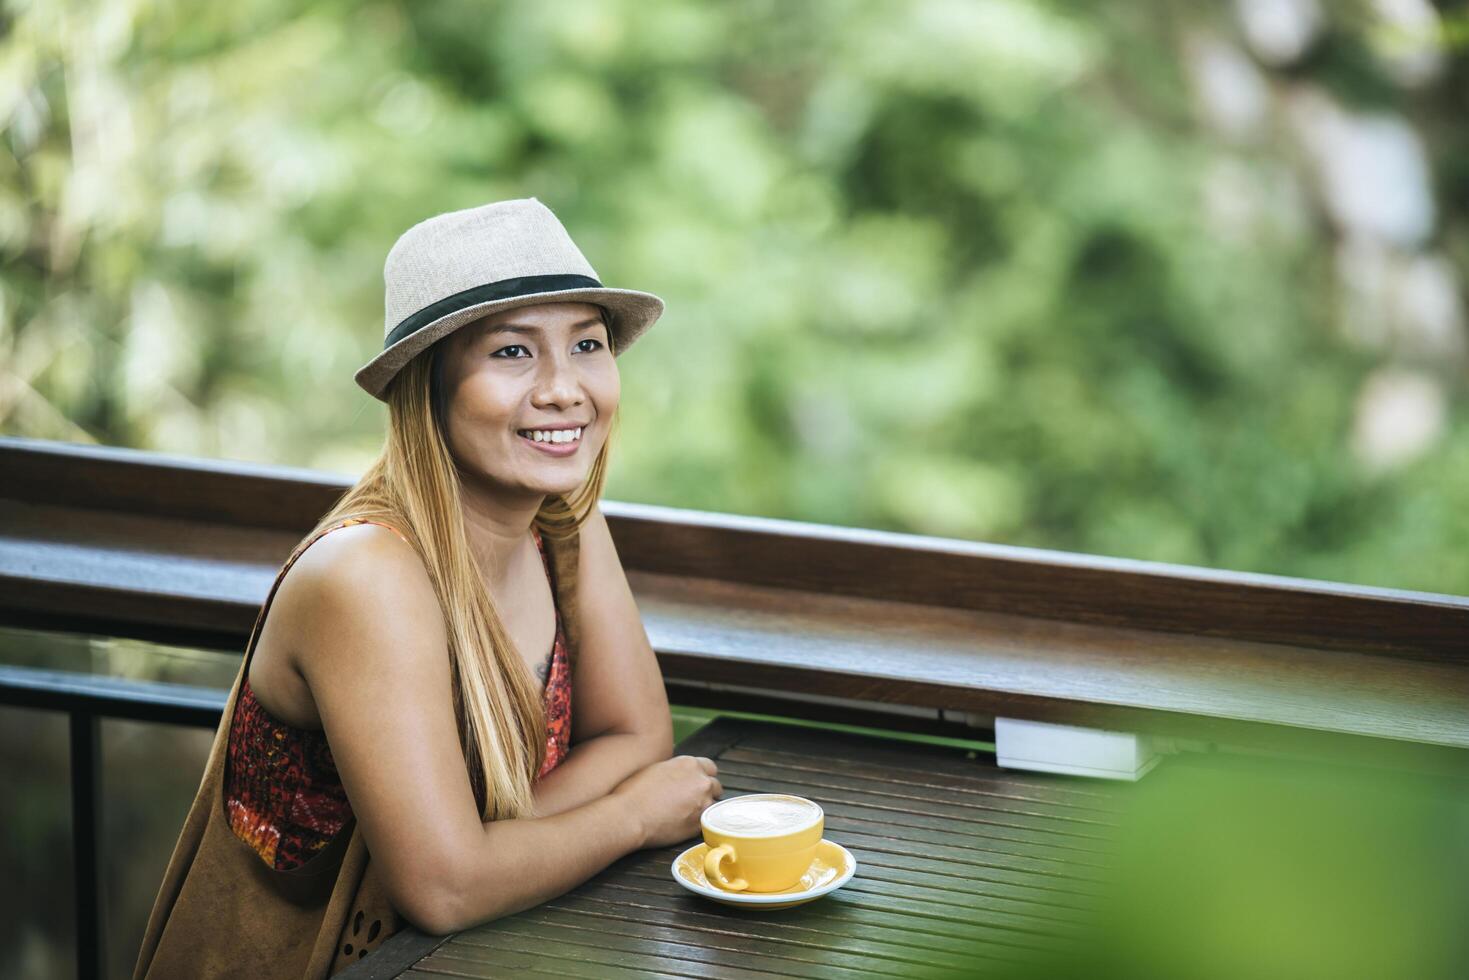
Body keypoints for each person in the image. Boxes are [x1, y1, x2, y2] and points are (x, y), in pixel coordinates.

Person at [134, 198, 722, 978]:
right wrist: (631, 814)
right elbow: (444, 889)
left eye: (587, 344)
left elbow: (637, 738)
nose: (563, 388)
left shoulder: (562, 523)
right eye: (513, 353)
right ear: (428, 384)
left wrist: (492, 851)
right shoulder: (366, 575)